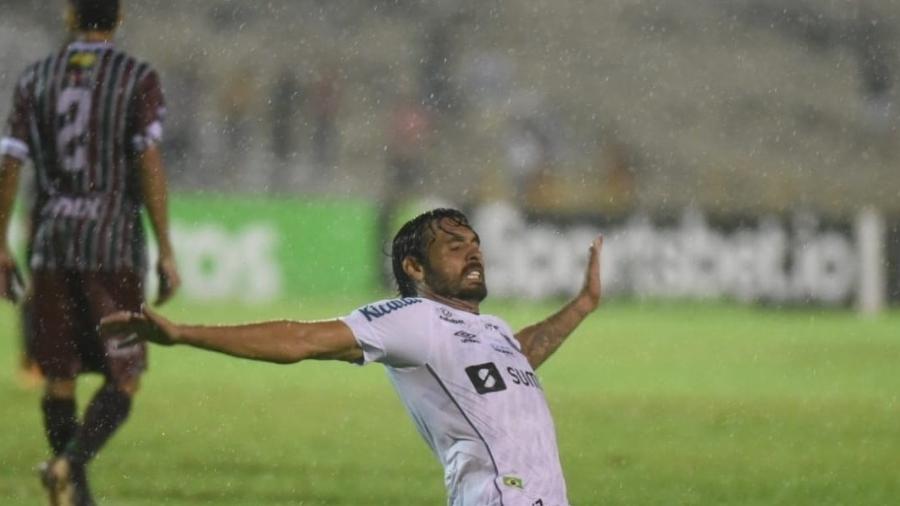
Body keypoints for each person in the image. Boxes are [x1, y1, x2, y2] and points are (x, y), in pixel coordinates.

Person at [102, 208, 602, 505]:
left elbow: (518, 355)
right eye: (454, 246)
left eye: (474, 243)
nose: (472, 252)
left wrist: (581, 305)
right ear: (415, 268)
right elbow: (299, 340)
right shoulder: (413, 320)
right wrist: (186, 333)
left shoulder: (489, 329)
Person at [0, 1, 181, 504]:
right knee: (125, 378)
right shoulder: (137, 77)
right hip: (112, 244)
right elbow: (147, 158)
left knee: (59, 377)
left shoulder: (35, 78)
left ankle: (74, 491)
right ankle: (70, 464)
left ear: (69, 14)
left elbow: (10, 161)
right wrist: (165, 246)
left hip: (52, 243)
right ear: (119, 16)